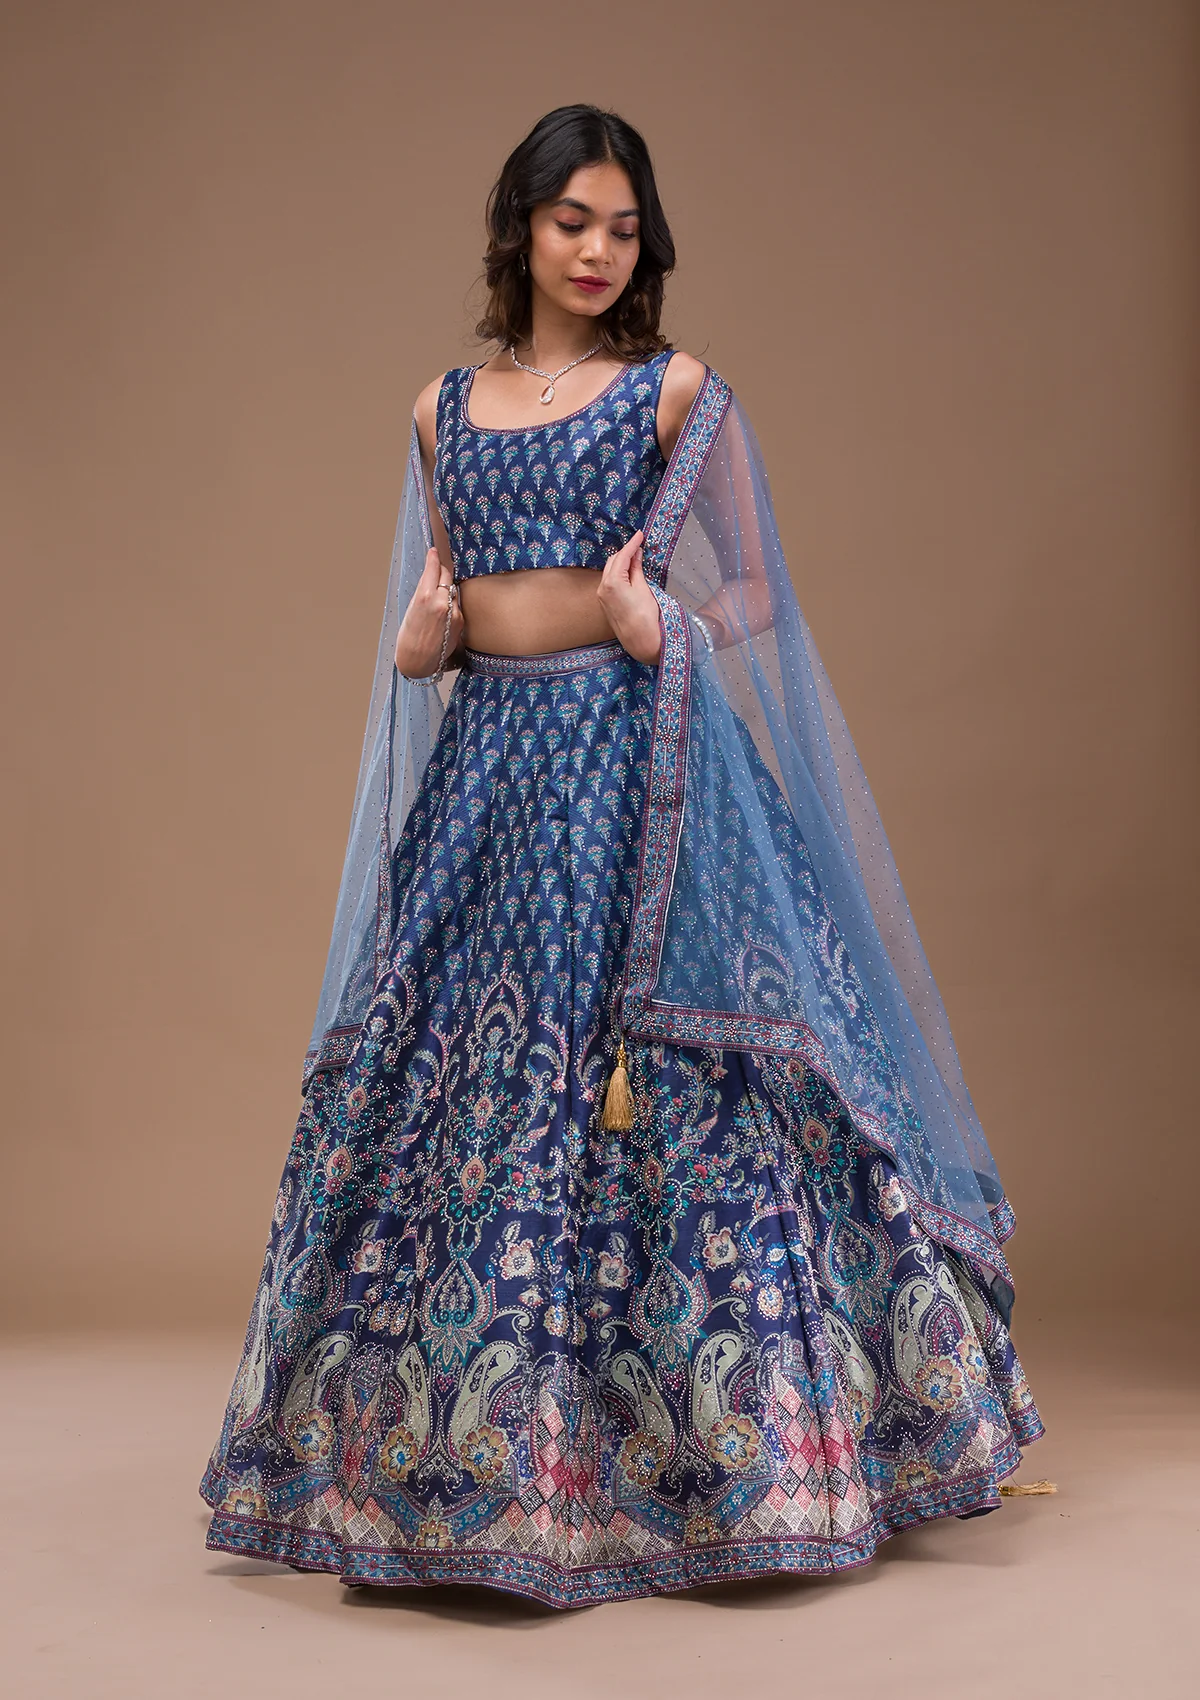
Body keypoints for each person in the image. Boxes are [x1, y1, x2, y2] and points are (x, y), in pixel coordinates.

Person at [201, 105, 1043, 1608]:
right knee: (463, 1083)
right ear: (519, 227)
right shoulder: (439, 409)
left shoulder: (675, 394)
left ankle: (728, 1464)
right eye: (571, 220)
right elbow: (446, 595)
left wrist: (670, 629)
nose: (597, 250)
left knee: (670, 1092)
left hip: (634, 774)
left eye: (623, 228)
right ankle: (446, 1477)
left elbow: (759, 596)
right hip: (488, 778)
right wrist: (418, 650)